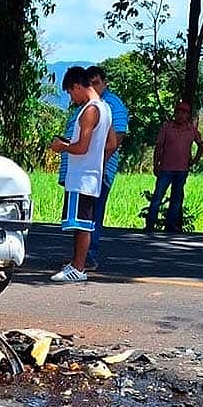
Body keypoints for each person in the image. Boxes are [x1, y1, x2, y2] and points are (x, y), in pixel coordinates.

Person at [49, 66, 113, 282]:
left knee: (81, 225)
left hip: (81, 177)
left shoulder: (90, 110)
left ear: (77, 86)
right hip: (90, 174)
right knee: (81, 222)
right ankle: (76, 263)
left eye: (70, 92)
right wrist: (98, 161)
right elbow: (111, 143)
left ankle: (78, 268)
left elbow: (82, 147)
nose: (72, 97)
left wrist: (63, 146)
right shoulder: (105, 108)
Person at [81, 65, 128, 270]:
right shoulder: (89, 104)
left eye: (96, 83)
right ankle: (82, 255)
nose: (93, 87)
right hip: (86, 170)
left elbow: (115, 140)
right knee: (84, 214)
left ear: (104, 82)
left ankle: (89, 255)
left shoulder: (111, 105)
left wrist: (97, 167)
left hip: (99, 171)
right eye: (89, 83)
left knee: (92, 214)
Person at [144, 101, 203, 233]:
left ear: (187, 115)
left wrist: (194, 160)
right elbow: (159, 146)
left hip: (182, 169)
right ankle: (150, 225)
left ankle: (171, 227)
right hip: (166, 168)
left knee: (176, 198)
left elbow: (201, 145)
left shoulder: (191, 129)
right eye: (178, 112)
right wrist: (156, 164)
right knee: (157, 196)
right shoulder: (167, 127)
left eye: (183, 113)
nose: (180, 115)